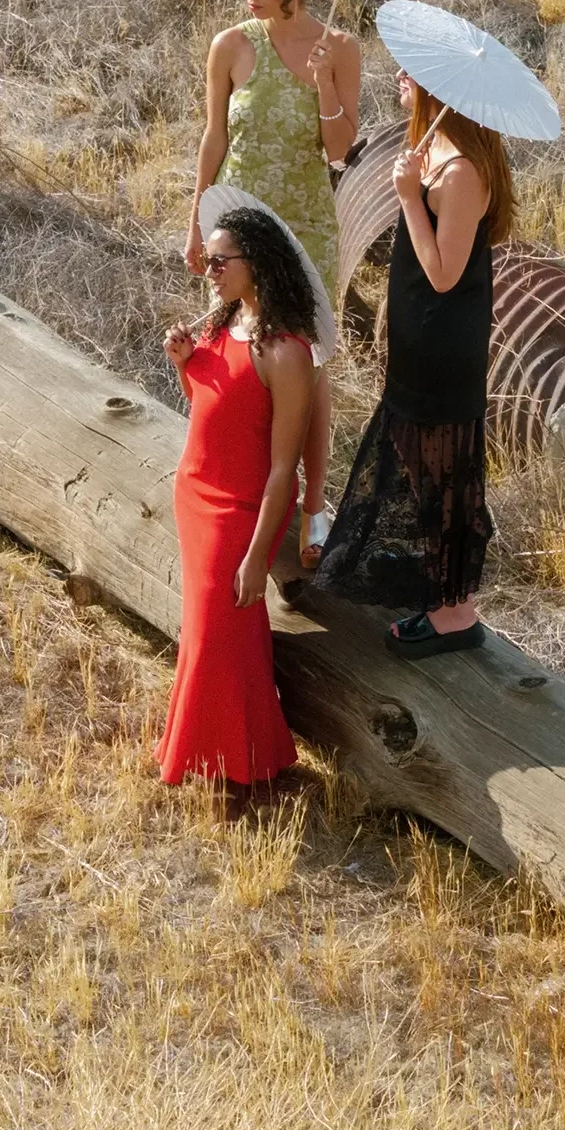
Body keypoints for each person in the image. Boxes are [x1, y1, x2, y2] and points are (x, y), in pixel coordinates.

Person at [313, 68, 511, 656]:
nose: (400, 75)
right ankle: (438, 581)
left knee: (443, 464)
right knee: (421, 457)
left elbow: (445, 274)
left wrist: (407, 198)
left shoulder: (462, 171)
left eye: (412, 72)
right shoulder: (436, 149)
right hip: (421, 338)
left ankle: (456, 614)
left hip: (443, 342)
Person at [186, 0, 360, 571]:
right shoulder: (230, 46)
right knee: (234, 346)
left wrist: (324, 89)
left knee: (307, 364)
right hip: (239, 228)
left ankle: (314, 507)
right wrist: (195, 222)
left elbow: (340, 151)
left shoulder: (339, 49)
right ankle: (233, 482)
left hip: (307, 228)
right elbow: (214, 136)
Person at [156, 206, 321, 787]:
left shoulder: (287, 353)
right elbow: (212, 408)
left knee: (211, 633)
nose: (210, 270)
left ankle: (222, 765)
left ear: (258, 265)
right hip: (195, 494)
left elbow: (284, 468)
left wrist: (256, 556)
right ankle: (251, 759)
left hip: (241, 510)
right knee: (226, 635)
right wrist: (184, 365)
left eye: (221, 260)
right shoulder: (218, 327)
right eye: (208, 259)